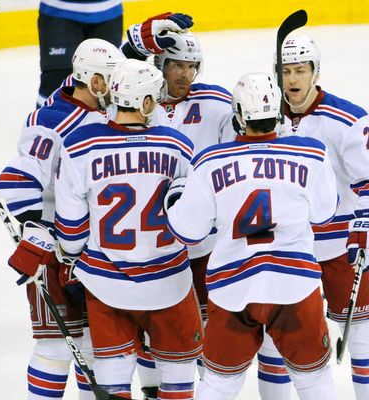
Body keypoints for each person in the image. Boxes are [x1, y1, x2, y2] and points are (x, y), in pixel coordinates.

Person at [165, 72, 339, 399]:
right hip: (294, 286)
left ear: (238, 115)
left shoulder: (209, 161)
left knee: (218, 382)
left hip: (232, 287)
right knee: (314, 379)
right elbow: (324, 213)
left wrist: (174, 198)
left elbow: (188, 230)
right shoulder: (312, 154)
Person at [54, 58, 203, 400]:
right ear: (147, 103)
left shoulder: (79, 145)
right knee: (179, 384)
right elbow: (194, 225)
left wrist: (71, 255)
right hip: (170, 284)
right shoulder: (179, 145)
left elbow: (72, 234)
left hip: (107, 286)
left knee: (112, 385)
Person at [0, 38, 126, 400]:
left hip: (95, 248)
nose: (116, 87)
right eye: (109, 79)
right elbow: (17, 180)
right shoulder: (51, 120)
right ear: (93, 81)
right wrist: (40, 229)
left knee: (94, 347)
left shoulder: (104, 107)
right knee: (54, 349)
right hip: (55, 250)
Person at [123, 29, 237, 399]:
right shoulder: (136, 100)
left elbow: (240, 154)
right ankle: (152, 389)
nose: (184, 74)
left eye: (191, 66)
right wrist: (138, 39)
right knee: (148, 325)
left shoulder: (219, 103)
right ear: (159, 64)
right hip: (150, 242)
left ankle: (205, 388)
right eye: (175, 65)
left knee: (205, 321)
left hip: (203, 242)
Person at [256, 35, 369, 400]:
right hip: (284, 250)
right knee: (276, 345)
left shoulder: (347, 119)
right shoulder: (261, 118)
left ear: (315, 72)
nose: (293, 79)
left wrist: (365, 227)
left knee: (364, 339)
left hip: (339, 248)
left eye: (300, 70)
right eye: (286, 71)